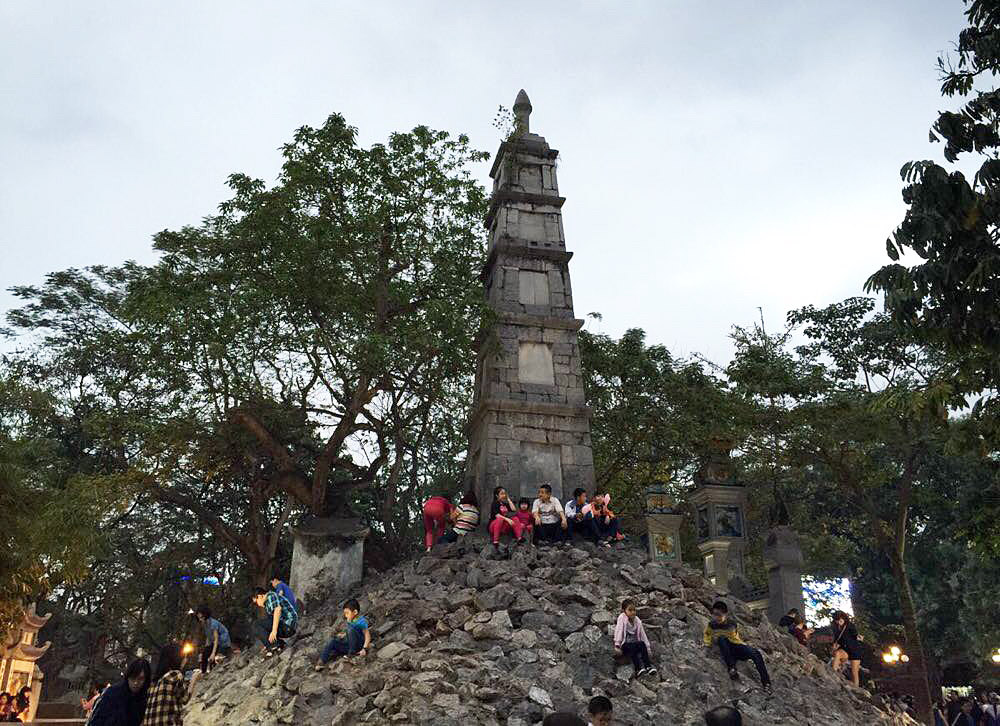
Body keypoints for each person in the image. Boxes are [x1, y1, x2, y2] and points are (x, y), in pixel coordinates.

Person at [703, 600, 772, 694]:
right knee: (721, 639)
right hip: (726, 649)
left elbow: (734, 639)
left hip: (736, 646)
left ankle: (766, 683)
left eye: (719, 614)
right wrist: (707, 645)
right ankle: (731, 668)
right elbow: (707, 635)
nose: (716, 617)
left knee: (756, 653)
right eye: (714, 614)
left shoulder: (731, 624)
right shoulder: (711, 625)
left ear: (725, 614)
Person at [140, 644, 199, 726]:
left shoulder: (154, 683)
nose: (185, 660)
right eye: (183, 657)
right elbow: (185, 698)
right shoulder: (174, 674)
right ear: (175, 658)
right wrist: (194, 679)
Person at [87, 658, 152, 726]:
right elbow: (96, 720)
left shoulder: (146, 698)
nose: (136, 682)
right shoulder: (112, 693)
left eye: (140, 679)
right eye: (133, 678)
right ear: (128, 677)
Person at [314, 598, 370, 670]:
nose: (345, 615)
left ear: (355, 612)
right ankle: (321, 661)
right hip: (350, 646)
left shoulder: (361, 621)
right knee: (333, 641)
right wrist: (343, 635)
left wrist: (364, 649)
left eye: (347, 613)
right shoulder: (350, 620)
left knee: (351, 630)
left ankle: (351, 655)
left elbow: (367, 635)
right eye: (345, 613)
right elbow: (350, 634)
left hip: (358, 646)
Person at [613, 599, 656, 678]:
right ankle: (638, 668)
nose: (633, 612)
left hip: (634, 643)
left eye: (634, 610)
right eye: (630, 610)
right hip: (624, 644)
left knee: (641, 644)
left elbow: (643, 635)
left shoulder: (637, 621)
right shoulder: (622, 618)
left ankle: (648, 666)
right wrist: (617, 644)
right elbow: (619, 630)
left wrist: (648, 648)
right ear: (624, 611)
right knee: (631, 646)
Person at [250, 585, 298, 657]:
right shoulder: (267, 604)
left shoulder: (271, 596)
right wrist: (267, 642)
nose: (257, 605)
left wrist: (274, 631)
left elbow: (277, 610)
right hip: (285, 626)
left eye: (256, 602)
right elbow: (270, 622)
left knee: (256, 624)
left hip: (288, 625)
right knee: (263, 624)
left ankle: (273, 646)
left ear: (260, 596)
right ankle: (278, 644)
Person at [829, 610, 863, 687]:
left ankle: (856, 689)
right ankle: (833, 674)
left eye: (840, 620)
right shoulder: (836, 628)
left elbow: (855, 634)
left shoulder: (850, 625)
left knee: (854, 672)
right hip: (844, 649)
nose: (839, 622)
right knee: (837, 654)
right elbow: (837, 639)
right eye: (837, 620)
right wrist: (834, 645)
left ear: (844, 618)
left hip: (854, 651)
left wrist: (858, 637)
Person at [194, 606, 231, 673]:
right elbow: (209, 637)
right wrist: (206, 649)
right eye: (199, 618)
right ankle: (203, 673)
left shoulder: (213, 624)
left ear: (206, 615)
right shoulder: (204, 624)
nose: (200, 620)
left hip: (222, 642)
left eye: (201, 617)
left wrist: (213, 654)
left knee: (215, 657)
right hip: (214, 642)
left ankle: (214, 669)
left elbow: (216, 639)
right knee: (204, 654)